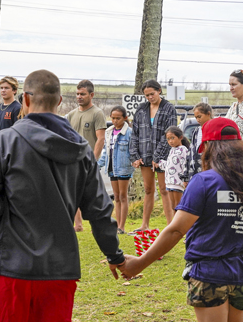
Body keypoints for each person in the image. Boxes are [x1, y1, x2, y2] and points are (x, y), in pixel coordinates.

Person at [0, 70, 126, 321]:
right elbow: (99, 210)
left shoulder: (3, 142)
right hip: (59, 274)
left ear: (26, 100)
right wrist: (115, 255)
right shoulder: (82, 150)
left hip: (9, 270)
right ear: (60, 101)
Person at [119, 118, 243, 322]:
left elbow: (176, 230)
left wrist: (140, 262)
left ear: (208, 147)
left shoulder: (203, 181)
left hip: (209, 273)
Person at [129, 80, 177, 231]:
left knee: (164, 190)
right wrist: (135, 155)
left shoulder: (169, 108)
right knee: (149, 190)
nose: (150, 97)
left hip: (163, 158)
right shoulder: (141, 110)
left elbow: (170, 135)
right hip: (144, 156)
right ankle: (144, 225)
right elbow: (134, 134)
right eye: (147, 95)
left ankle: (171, 226)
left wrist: (158, 157)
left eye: (152, 94)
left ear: (159, 91)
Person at [66, 79, 107, 232]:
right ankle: (78, 225)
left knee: (90, 195)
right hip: (73, 160)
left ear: (91, 95)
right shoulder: (71, 115)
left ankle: (99, 223)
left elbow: (101, 138)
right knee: (72, 192)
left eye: (82, 94)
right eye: (77, 94)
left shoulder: (97, 113)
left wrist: (93, 160)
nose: (79, 97)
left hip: (88, 160)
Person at [104, 106, 134, 235]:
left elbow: (132, 150)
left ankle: (122, 226)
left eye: (118, 118)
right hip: (111, 167)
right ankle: (117, 224)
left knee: (123, 196)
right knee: (116, 197)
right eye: (113, 118)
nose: (115, 121)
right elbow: (106, 151)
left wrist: (134, 161)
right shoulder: (109, 131)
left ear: (125, 118)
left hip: (123, 167)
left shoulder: (129, 132)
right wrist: (98, 164)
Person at [180, 103, 213, 186]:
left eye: (199, 116)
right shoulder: (196, 131)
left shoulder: (214, 130)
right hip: (194, 174)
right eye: (196, 117)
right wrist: (186, 176)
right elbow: (190, 153)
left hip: (209, 172)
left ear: (208, 114)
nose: (198, 120)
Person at [158, 126, 190, 212]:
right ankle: (175, 224)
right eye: (168, 139)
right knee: (173, 207)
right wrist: (160, 163)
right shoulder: (172, 150)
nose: (170, 141)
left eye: (172, 138)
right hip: (169, 183)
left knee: (178, 207)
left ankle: (181, 225)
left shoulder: (183, 150)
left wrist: (185, 179)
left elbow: (185, 165)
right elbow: (170, 165)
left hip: (178, 183)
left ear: (180, 137)